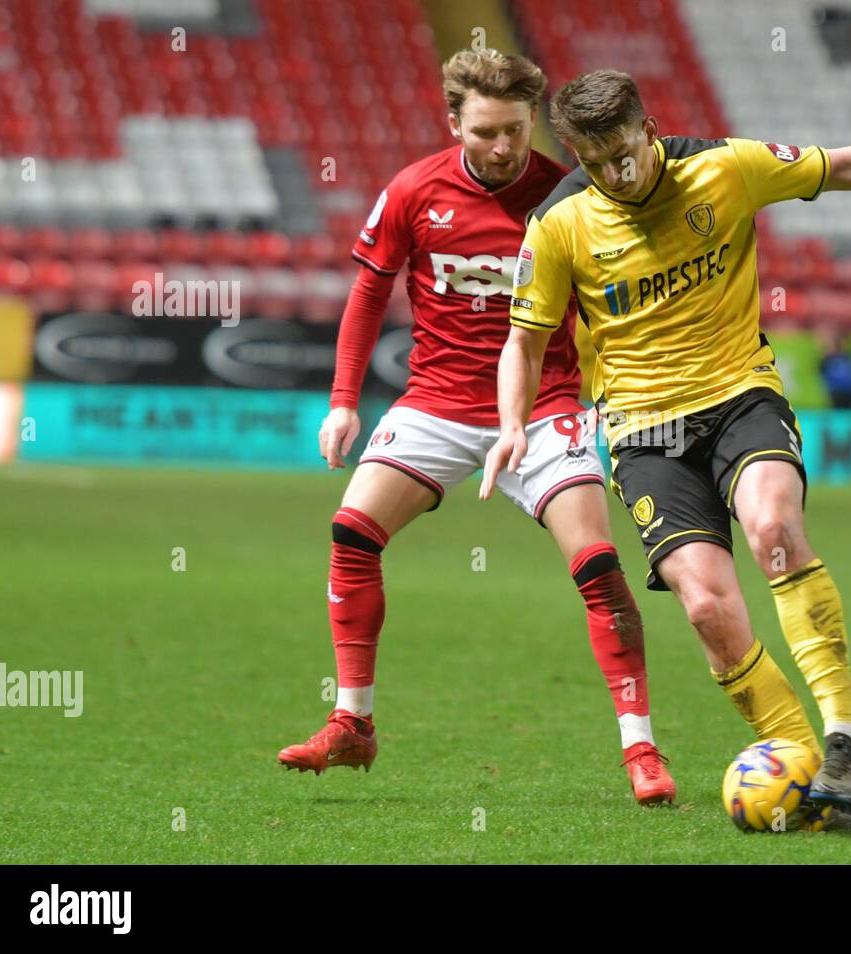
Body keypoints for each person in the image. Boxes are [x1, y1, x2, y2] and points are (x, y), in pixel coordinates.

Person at [482, 68, 851, 828]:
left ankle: (844, 737)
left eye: (626, 152)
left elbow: (845, 164)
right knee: (708, 606)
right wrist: (512, 421)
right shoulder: (558, 226)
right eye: (595, 161)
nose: (616, 173)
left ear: (649, 130)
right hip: (643, 430)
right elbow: (523, 342)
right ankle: (801, 767)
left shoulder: (724, 167)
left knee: (775, 530)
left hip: (738, 394)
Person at [278, 51, 676, 806]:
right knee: (353, 533)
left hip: (546, 402)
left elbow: (612, 303)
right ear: (454, 122)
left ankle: (641, 748)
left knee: (597, 565)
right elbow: (367, 295)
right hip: (436, 400)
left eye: (516, 131)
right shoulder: (412, 191)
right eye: (488, 132)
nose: (503, 147)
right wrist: (342, 400)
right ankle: (352, 722)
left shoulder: (566, 193)